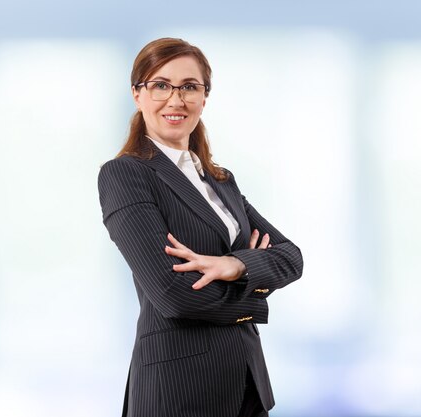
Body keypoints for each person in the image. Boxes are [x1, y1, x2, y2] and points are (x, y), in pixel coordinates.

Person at [97, 37, 304, 417]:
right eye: (160, 85)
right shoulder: (126, 174)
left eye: (189, 87)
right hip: (179, 393)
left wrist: (235, 266)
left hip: (246, 385)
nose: (176, 99)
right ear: (137, 94)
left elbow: (292, 257)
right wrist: (254, 298)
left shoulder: (220, 181)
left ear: (204, 97)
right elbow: (174, 297)